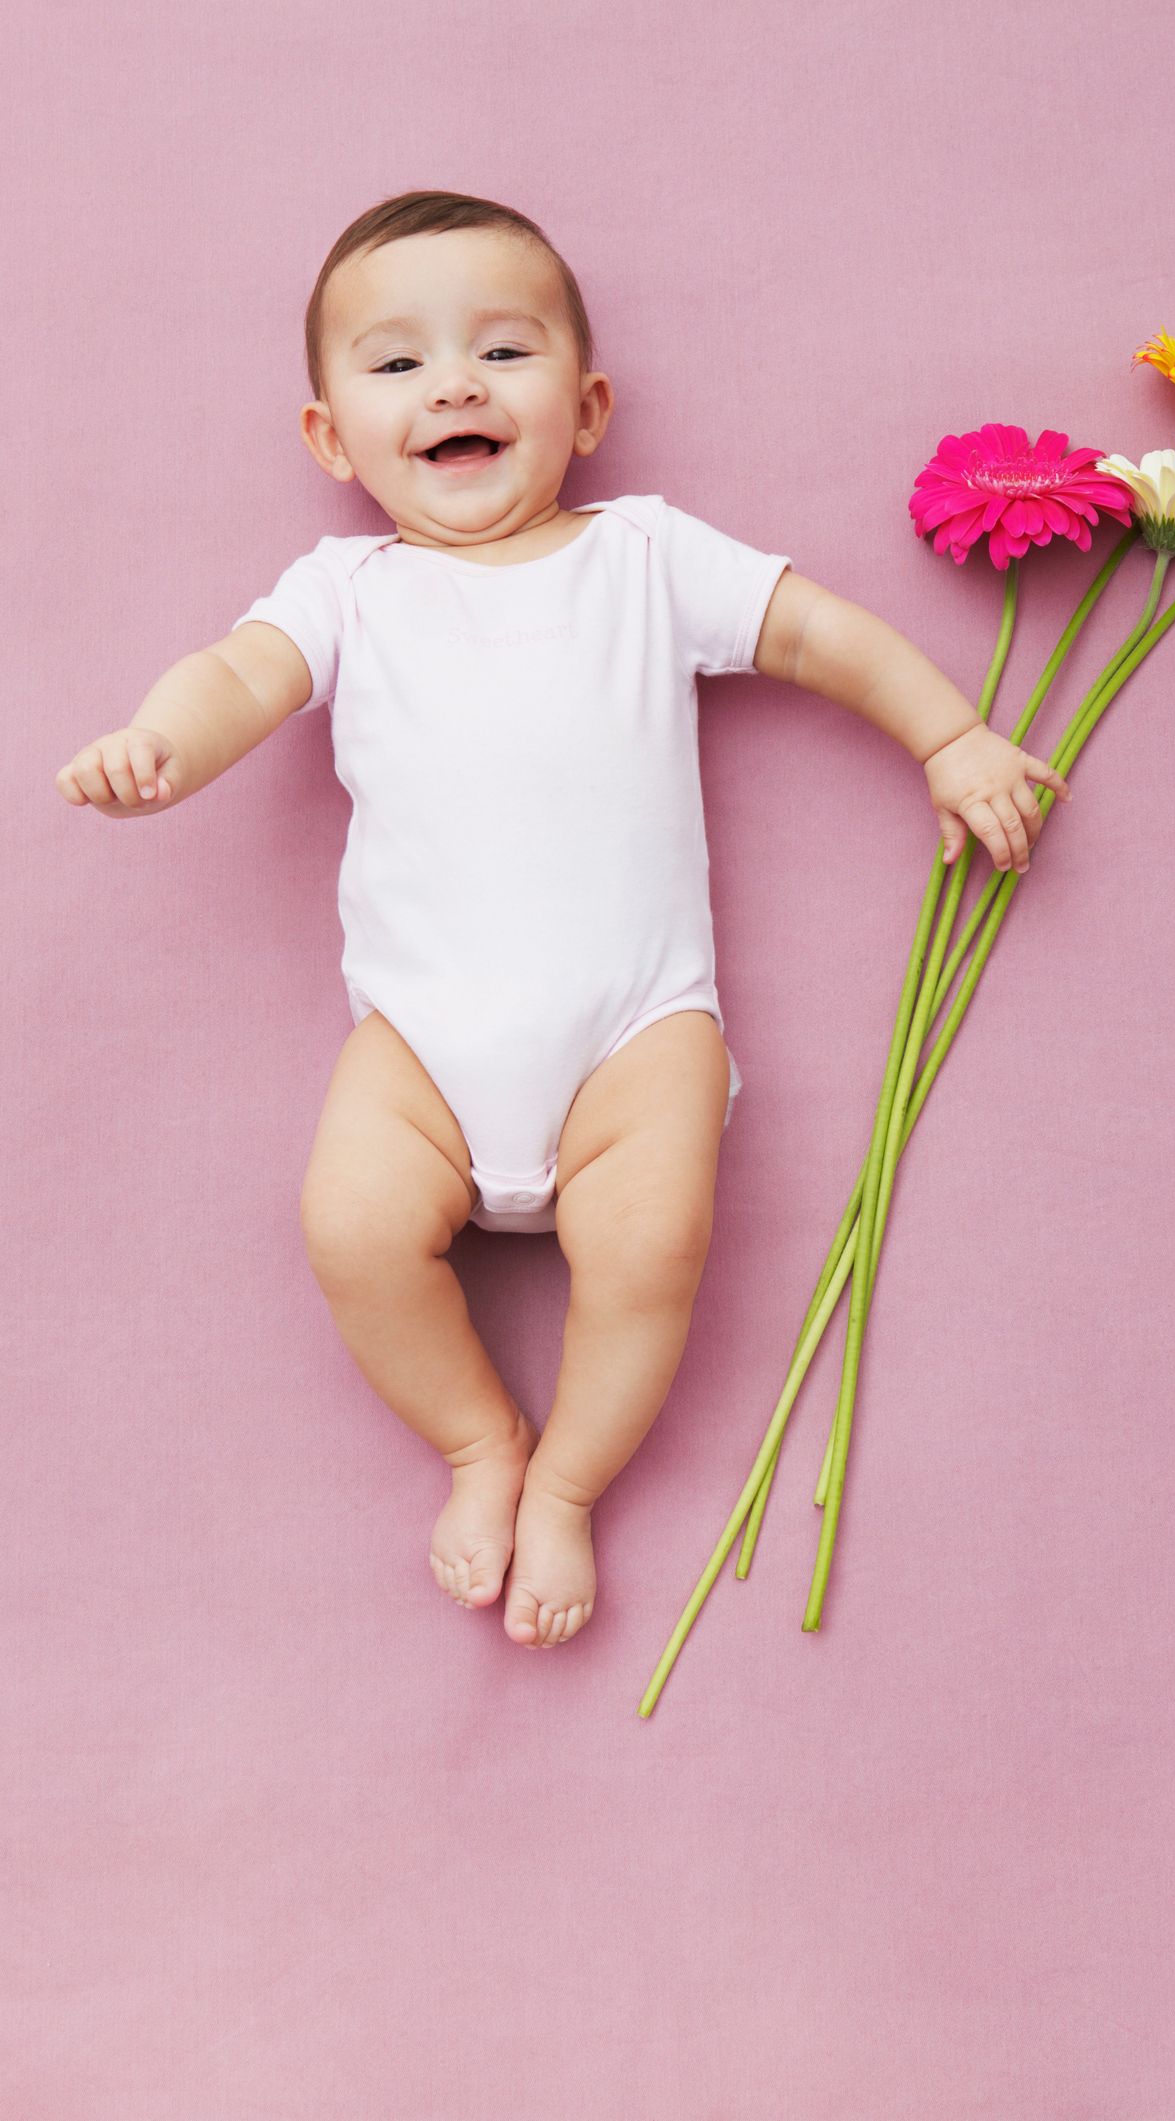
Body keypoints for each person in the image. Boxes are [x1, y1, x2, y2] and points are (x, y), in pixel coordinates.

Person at [53, 191, 1071, 1651]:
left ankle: (570, 1482)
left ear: (585, 406)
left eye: (502, 351)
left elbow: (813, 630)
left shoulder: (646, 558)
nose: (455, 384)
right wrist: (159, 741)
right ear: (332, 440)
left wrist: (948, 732)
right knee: (346, 1223)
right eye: (397, 365)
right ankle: (480, 1441)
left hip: (630, 1031)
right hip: (424, 1046)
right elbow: (233, 677)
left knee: (650, 1247)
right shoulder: (347, 591)